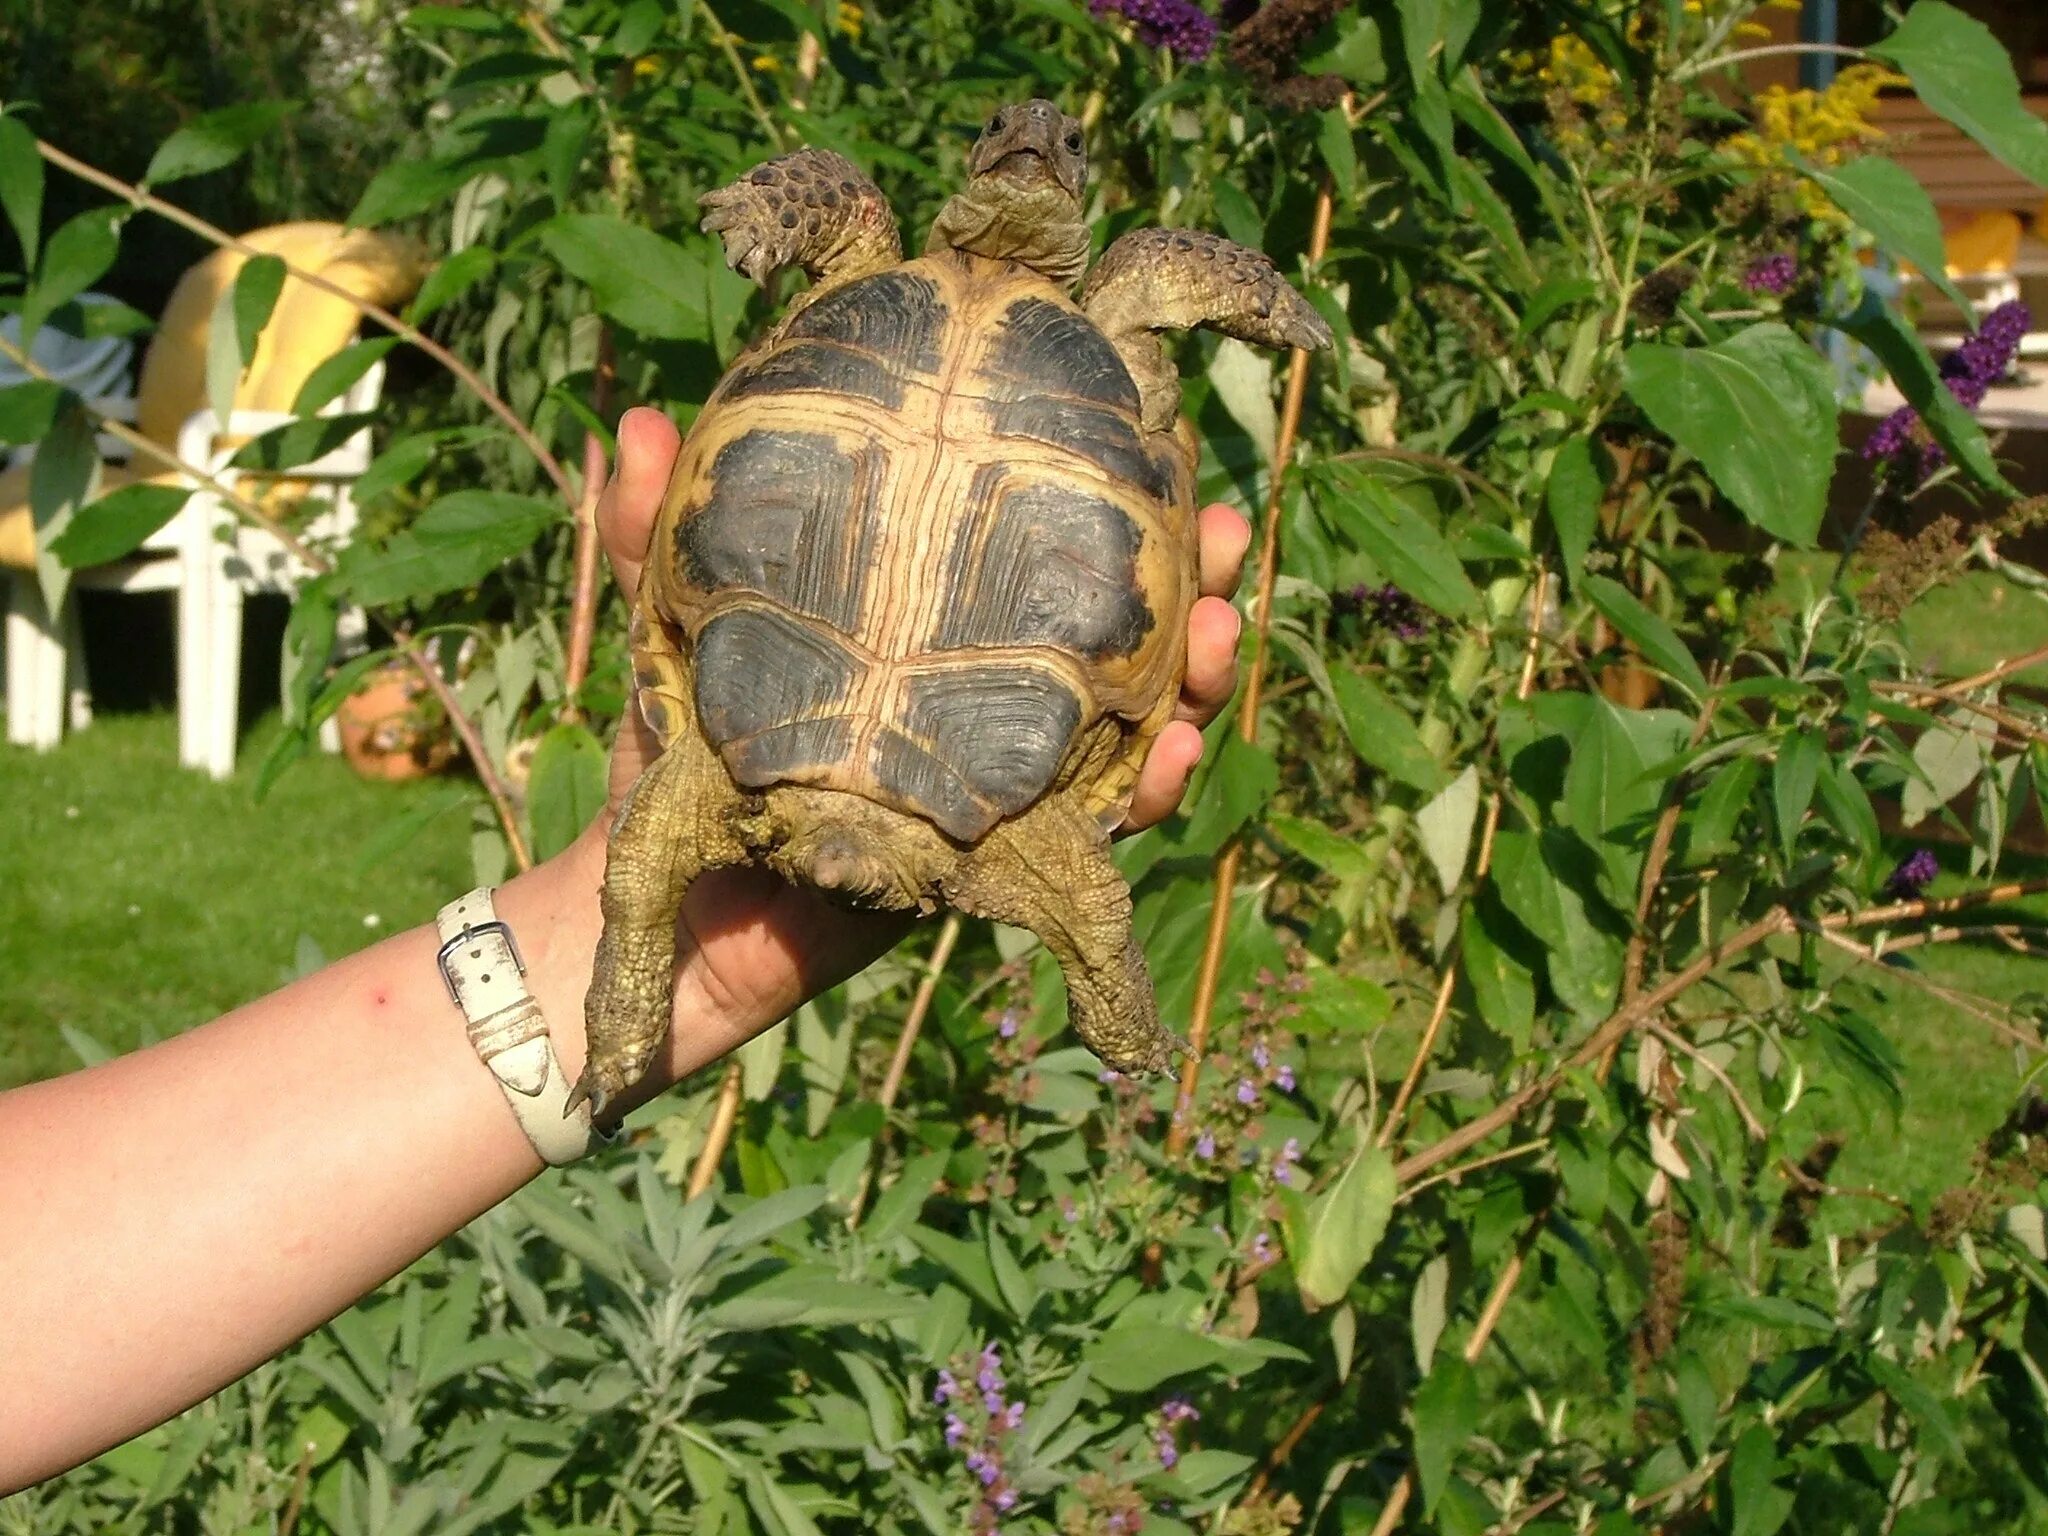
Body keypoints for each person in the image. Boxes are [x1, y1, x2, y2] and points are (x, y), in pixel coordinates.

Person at [0, 406, 1252, 1489]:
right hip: (945, 758)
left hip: (778, 724)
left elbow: (1081, 905)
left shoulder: (750, 790)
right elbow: (1081, 897)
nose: (835, 875)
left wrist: (1118, 1010)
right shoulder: (1005, 834)